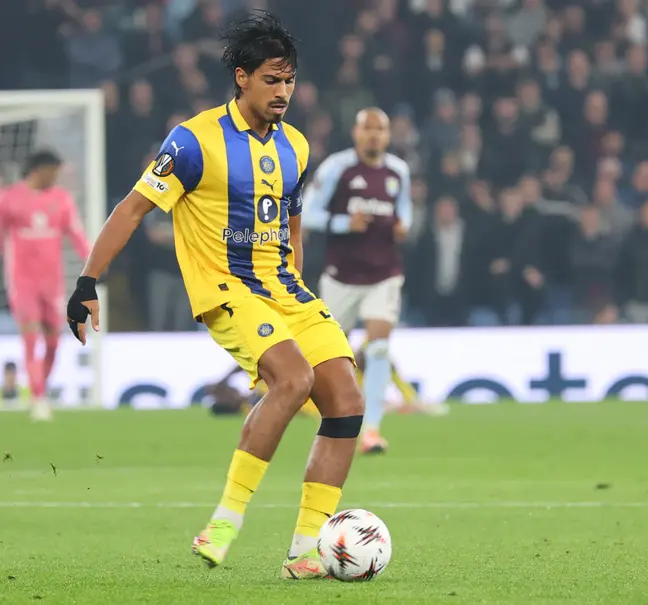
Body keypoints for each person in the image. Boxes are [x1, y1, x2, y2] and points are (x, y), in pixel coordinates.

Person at [65, 12, 363, 579]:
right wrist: (86, 282)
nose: (283, 91)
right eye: (271, 80)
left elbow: (292, 226)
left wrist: (296, 290)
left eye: (289, 80)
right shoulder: (193, 140)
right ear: (242, 78)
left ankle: (304, 551)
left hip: (286, 291)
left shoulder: (297, 146)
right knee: (293, 380)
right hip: (226, 288)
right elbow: (132, 209)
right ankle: (224, 522)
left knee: (347, 401)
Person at [301, 107, 412, 454]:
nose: (374, 135)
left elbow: (405, 210)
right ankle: (334, 422)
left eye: (380, 129)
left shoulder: (398, 171)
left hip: (384, 274)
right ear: (356, 133)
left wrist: (403, 226)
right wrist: (343, 223)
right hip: (342, 277)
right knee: (332, 355)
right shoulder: (337, 168)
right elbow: (308, 212)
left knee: (378, 348)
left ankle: (372, 431)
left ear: (387, 136)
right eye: (368, 128)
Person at [0, 151, 90, 421]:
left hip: (52, 284)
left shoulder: (61, 199)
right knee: (30, 339)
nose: (55, 177)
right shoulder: (10, 198)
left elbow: (76, 234)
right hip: (22, 283)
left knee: (53, 343)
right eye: (53, 171)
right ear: (38, 170)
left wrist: (92, 264)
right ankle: (38, 398)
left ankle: (39, 391)